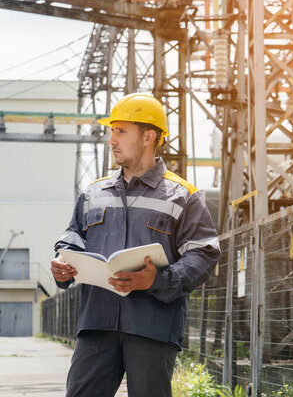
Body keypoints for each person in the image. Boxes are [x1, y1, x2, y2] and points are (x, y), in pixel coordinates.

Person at [51, 93, 221, 397]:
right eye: (112, 131)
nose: (112, 140)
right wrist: (64, 263)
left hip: (152, 325)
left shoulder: (183, 196)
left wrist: (159, 279)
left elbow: (203, 253)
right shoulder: (93, 193)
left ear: (148, 136)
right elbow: (72, 236)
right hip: (97, 323)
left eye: (121, 131)